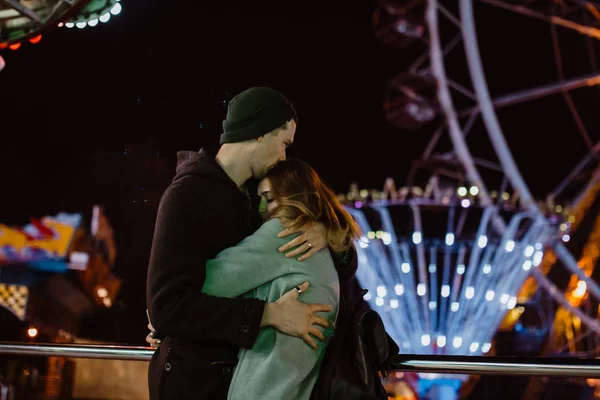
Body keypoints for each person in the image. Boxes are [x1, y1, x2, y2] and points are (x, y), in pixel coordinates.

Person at [146, 87, 354, 400]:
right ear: (259, 133)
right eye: (283, 143)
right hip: (192, 382)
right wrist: (267, 314)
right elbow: (167, 306)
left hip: (235, 379)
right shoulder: (187, 196)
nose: (284, 157)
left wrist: (325, 233)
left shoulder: (263, 193)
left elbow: (339, 262)